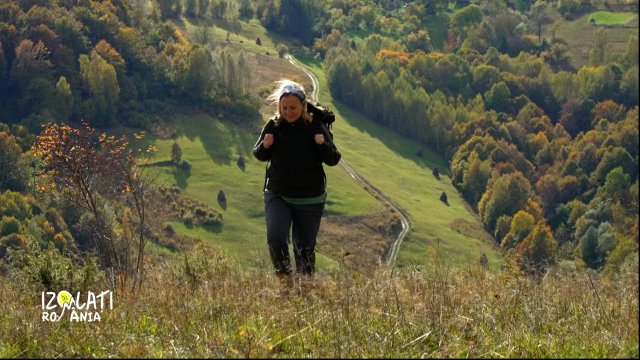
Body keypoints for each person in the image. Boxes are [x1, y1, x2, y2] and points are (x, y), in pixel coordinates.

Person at [253, 80, 341, 283]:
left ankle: (306, 289)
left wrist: (322, 144)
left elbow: (333, 159)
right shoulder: (273, 125)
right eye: (284, 108)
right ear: (279, 107)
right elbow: (259, 155)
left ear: (303, 106)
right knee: (275, 238)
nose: (289, 111)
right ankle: (285, 281)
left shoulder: (315, 128)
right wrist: (265, 146)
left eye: (293, 107)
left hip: (310, 199)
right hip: (277, 195)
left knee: (304, 248)